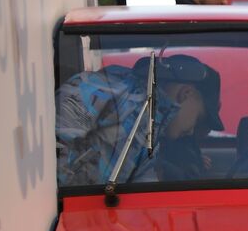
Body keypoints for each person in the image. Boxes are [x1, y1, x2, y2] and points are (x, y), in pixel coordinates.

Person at [57, 55, 224, 186]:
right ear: (186, 93)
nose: (192, 131)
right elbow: (61, 169)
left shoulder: (150, 126)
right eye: (199, 118)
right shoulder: (115, 100)